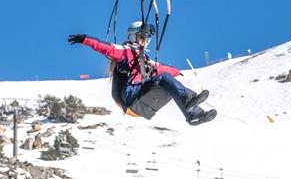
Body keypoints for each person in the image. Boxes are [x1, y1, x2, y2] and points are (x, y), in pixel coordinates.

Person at [68, 21, 215, 125]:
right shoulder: (125, 51)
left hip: (140, 101)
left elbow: (160, 67)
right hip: (131, 96)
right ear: (134, 36)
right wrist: (85, 40)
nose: (146, 41)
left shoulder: (144, 58)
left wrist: (177, 72)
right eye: (143, 37)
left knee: (169, 85)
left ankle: (193, 115)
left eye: (147, 38)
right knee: (164, 78)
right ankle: (189, 100)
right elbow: (106, 48)